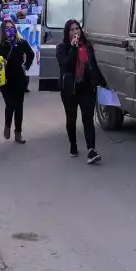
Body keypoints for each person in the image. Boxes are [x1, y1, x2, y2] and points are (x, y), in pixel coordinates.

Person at [56, 19, 105, 163]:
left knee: (88, 118)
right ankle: (73, 144)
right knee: (71, 119)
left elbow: (93, 66)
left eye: (77, 28)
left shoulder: (87, 47)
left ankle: (91, 150)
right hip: (70, 89)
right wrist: (74, 48)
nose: (75, 31)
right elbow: (66, 65)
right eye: (71, 29)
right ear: (67, 32)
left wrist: (102, 82)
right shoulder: (61, 48)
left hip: (86, 87)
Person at [0, 19, 34, 144]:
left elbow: (30, 55)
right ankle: (7, 124)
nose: (10, 30)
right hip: (5, 80)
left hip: (19, 78)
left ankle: (18, 133)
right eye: (7, 28)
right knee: (10, 104)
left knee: (19, 106)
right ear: (3, 30)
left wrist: (26, 66)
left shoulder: (21, 43)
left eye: (12, 27)